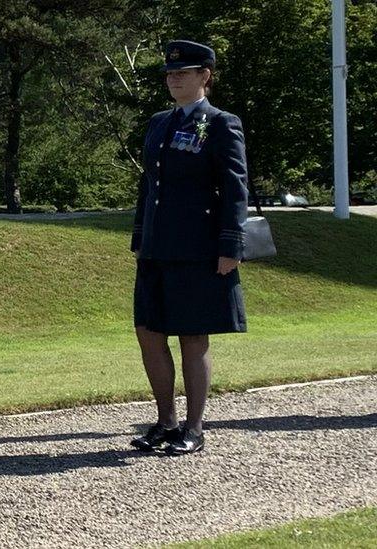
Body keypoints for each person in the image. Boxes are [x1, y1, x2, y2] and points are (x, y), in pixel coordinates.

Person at [129, 40, 248, 455]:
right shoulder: (160, 122)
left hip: (198, 245)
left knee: (192, 336)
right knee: (148, 331)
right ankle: (165, 421)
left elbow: (235, 187)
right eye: (170, 73)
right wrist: (141, 235)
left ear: (205, 77)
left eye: (183, 72)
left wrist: (231, 243)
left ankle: (194, 428)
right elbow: (150, 184)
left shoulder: (220, 123)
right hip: (158, 246)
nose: (174, 78)